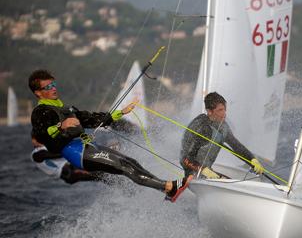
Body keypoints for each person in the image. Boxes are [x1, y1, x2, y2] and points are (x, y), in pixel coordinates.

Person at [28, 69, 192, 202]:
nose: (53, 88)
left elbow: (92, 119)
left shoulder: (65, 109)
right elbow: (41, 133)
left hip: (86, 147)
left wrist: (121, 112)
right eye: (48, 87)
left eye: (53, 84)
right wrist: (60, 125)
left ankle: (167, 188)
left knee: (130, 162)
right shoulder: (40, 112)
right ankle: (168, 186)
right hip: (76, 153)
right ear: (38, 93)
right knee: (124, 166)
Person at [180, 92, 264, 178]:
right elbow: (185, 160)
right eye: (220, 110)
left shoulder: (223, 127)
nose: (224, 114)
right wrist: (202, 169)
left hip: (207, 172)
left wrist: (252, 160)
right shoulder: (202, 128)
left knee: (229, 180)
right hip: (193, 174)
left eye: (224, 109)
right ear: (209, 112)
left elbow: (236, 146)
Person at [31, 135, 100, 184]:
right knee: (98, 176)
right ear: (33, 140)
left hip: (72, 168)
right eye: (38, 139)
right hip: (70, 173)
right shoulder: (36, 154)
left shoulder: (47, 146)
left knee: (100, 174)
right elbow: (52, 155)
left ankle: (109, 180)